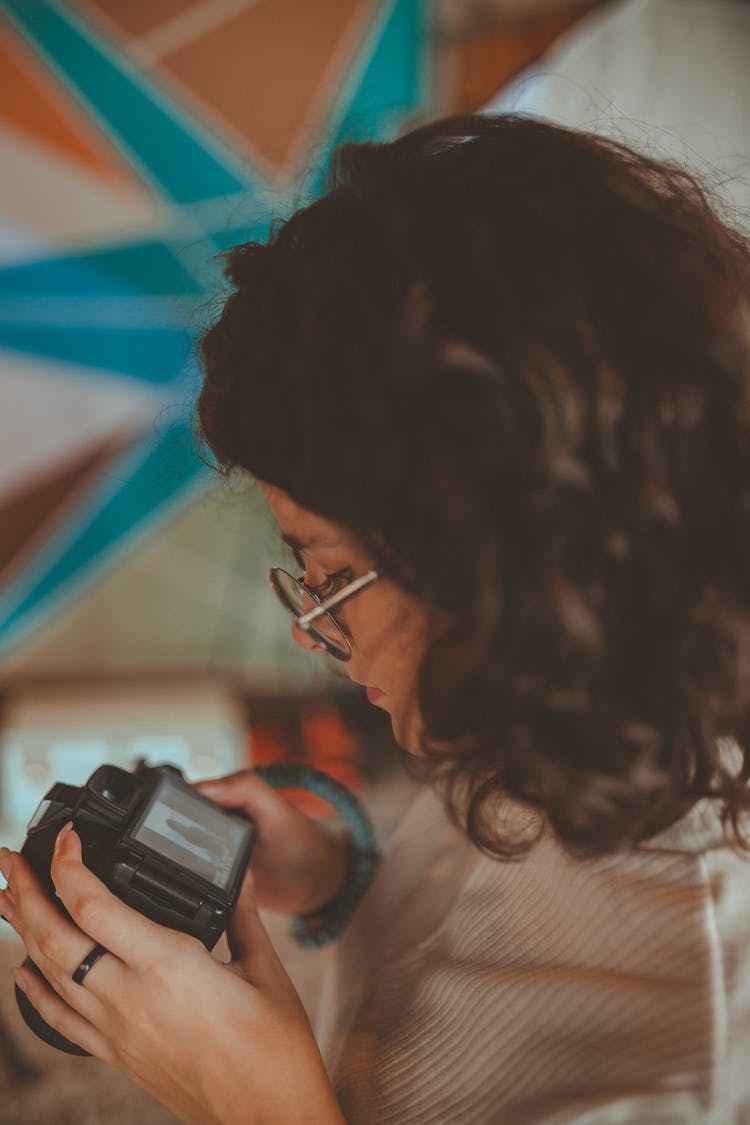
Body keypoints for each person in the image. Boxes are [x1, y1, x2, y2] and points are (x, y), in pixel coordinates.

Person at [1, 112, 750, 1123]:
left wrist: (258, 1105)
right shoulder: (569, 697)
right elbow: (463, 894)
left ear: (513, 557)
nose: (316, 630)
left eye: (336, 573)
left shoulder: (697, 1041)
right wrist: (337, 873)